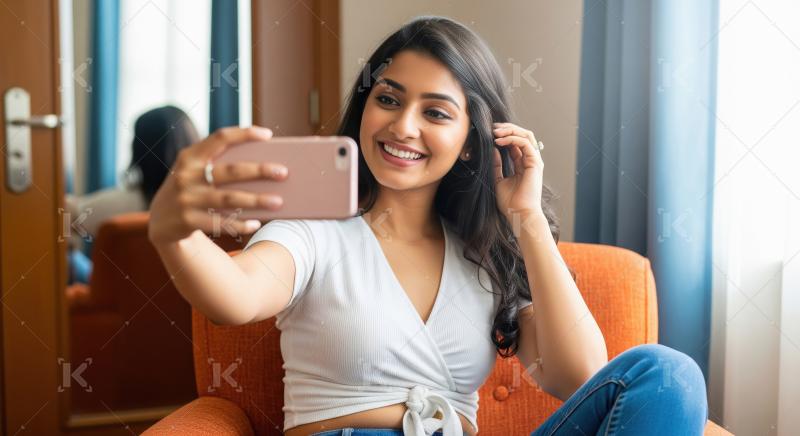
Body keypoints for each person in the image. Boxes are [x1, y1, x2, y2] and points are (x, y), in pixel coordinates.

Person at [147, 16, 708, 436]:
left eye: (436, 112)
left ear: (473, 142)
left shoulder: (485, 255)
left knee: (666, 375)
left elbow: (579, 375)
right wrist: (174, 230)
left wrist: (527, 219)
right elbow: (235, 296)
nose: (403, 125)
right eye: (388, 99)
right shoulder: (313, 231)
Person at [67, 105, 199, 284]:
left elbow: (62, 215)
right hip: (192, 306)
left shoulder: (119, 204)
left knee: (71, 259)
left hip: (122, 306)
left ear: (137, 148)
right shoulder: (209, 208)